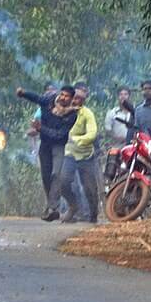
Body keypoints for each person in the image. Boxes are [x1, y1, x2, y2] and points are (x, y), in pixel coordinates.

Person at [16, 84, 78, 221]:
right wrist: (23, 93)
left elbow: (59, 135)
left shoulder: (72, 114)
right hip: (44, 145)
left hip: (58, 146)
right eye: (62, 94)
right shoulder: (49, 100)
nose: (63, 98)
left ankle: (53, 208)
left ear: (72, 99)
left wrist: (40, 129)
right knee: (45, 176)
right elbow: (37, 98)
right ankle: (51, 206)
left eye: (67, 96)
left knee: (56, 174)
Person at [49, 86, 99, 223]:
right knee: (63, 182)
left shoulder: (87, 114)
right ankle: (73, 206)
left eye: (81, 99)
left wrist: (77, 140)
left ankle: (93, 215)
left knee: (89, 188)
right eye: (76, 98)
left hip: (85, 156)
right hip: (68, 155)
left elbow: (92, 133)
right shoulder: (60, 111)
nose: (77, 101)